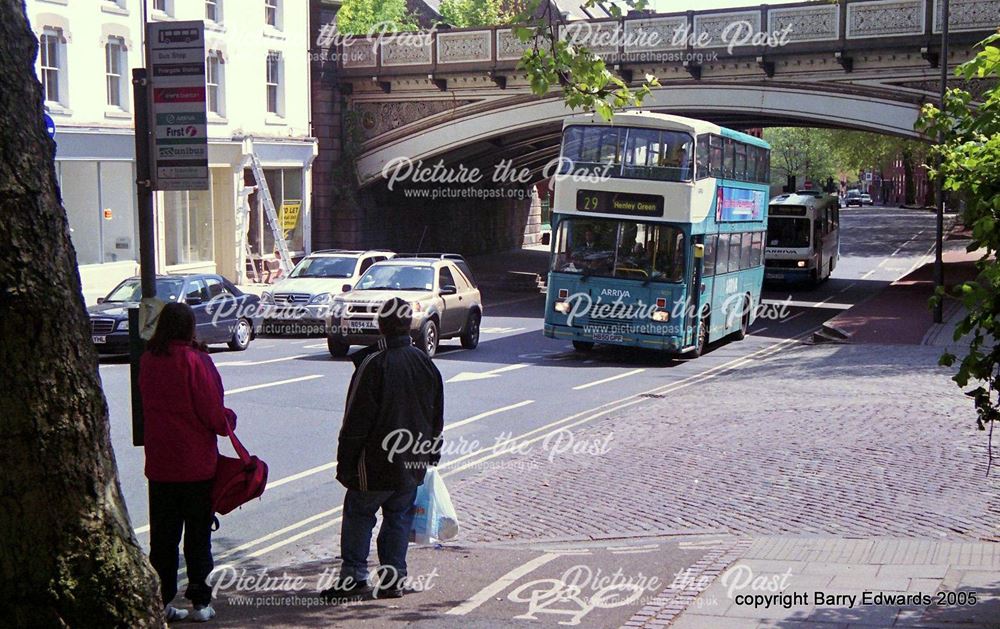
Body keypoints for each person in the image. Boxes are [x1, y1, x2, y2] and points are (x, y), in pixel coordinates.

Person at [324, 297, 444, 601]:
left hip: (375, 462)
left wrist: (346, 463)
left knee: (359, 514)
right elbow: (436, 416)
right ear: (410, 323)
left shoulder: (373, 364)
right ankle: (392, 579)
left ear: (381, 324)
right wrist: (430, 454)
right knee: (398, 517)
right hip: (412, 461)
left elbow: (355, 421)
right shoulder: (425, 363)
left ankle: (353, 578)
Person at [139, 302, 236, 622]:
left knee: (163, 540)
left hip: (160, 465)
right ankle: (200, 602)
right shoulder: (197, 362)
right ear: (190, 328)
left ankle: (163, 600)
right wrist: (229, 420)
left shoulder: (148, 360)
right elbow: (214, 416)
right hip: (195, 467)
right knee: (197, 539)